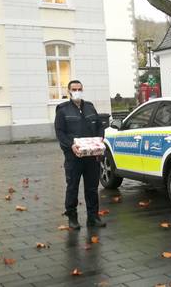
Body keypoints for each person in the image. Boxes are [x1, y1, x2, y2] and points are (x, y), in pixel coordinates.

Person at [54, 80, 106, 229]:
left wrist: (100, 140)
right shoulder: (63, 109)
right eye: (74, 89)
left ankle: (93, 217)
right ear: (69, 91)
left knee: (92, 187)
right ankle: (72, 217)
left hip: (91, 156)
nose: (77, 91)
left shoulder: (89, 107)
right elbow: (60, 132)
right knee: (72, 187)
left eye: (79, 89)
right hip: (74, 157)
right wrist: (71, 146)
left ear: (82, 90)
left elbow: (100, 127)